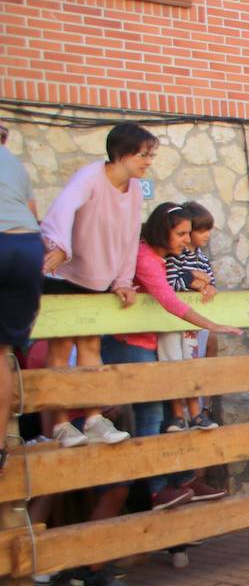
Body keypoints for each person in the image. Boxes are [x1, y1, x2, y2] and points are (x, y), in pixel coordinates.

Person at [102, 202, 241, 513]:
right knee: (152, 414)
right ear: (163, 231)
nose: (186, 240)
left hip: (148, 342)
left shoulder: (162, 257)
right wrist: (212, 324)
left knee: (169, 414)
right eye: (180, 234)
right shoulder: (145, 257)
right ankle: (156, 490)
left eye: (188, 234)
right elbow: (168, 299)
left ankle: (180, 480)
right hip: (131, 343)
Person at [39, 122, 157, 448]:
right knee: (61, 350)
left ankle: (93, 419)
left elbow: (130, 235)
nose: (148, 162)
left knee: (91, 348)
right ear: (121, 154)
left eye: (150, 155)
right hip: (65, 275)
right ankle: (61, 424)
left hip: (97, 278)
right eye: (143, 155)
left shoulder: (134, 189)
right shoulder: (89, 177)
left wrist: (123, 280)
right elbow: (61, 211)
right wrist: (59, 246)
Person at [0, 122, 42, 473]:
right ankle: (0, 446)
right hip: (27, 246)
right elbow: (33, 213)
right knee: (1, 353)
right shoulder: (16, 165)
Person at [160, 202, 220, 433]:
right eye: (201, 230)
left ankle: (195, 413)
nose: (207, 235)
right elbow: (171, 283)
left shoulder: (201, 257)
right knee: (173, 363)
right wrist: (192, 278)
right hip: (170, 321)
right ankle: (177, 415)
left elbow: (210, 281)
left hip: (191, 323)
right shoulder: (176, 256)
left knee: (192, 362)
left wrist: (206, 285)